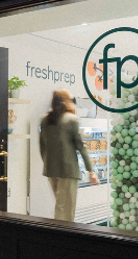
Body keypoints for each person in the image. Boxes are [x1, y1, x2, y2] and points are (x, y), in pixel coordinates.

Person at [38, 89, 98, 221]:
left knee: (60, 205)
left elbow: (42, 146)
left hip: (51, 169)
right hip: (68, 170)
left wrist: (47, 162)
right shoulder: (71, 119)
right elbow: (80, 146)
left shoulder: (45, 120)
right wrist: (90, 171)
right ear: (66, 101)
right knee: (66, 209)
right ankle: (64, 237)